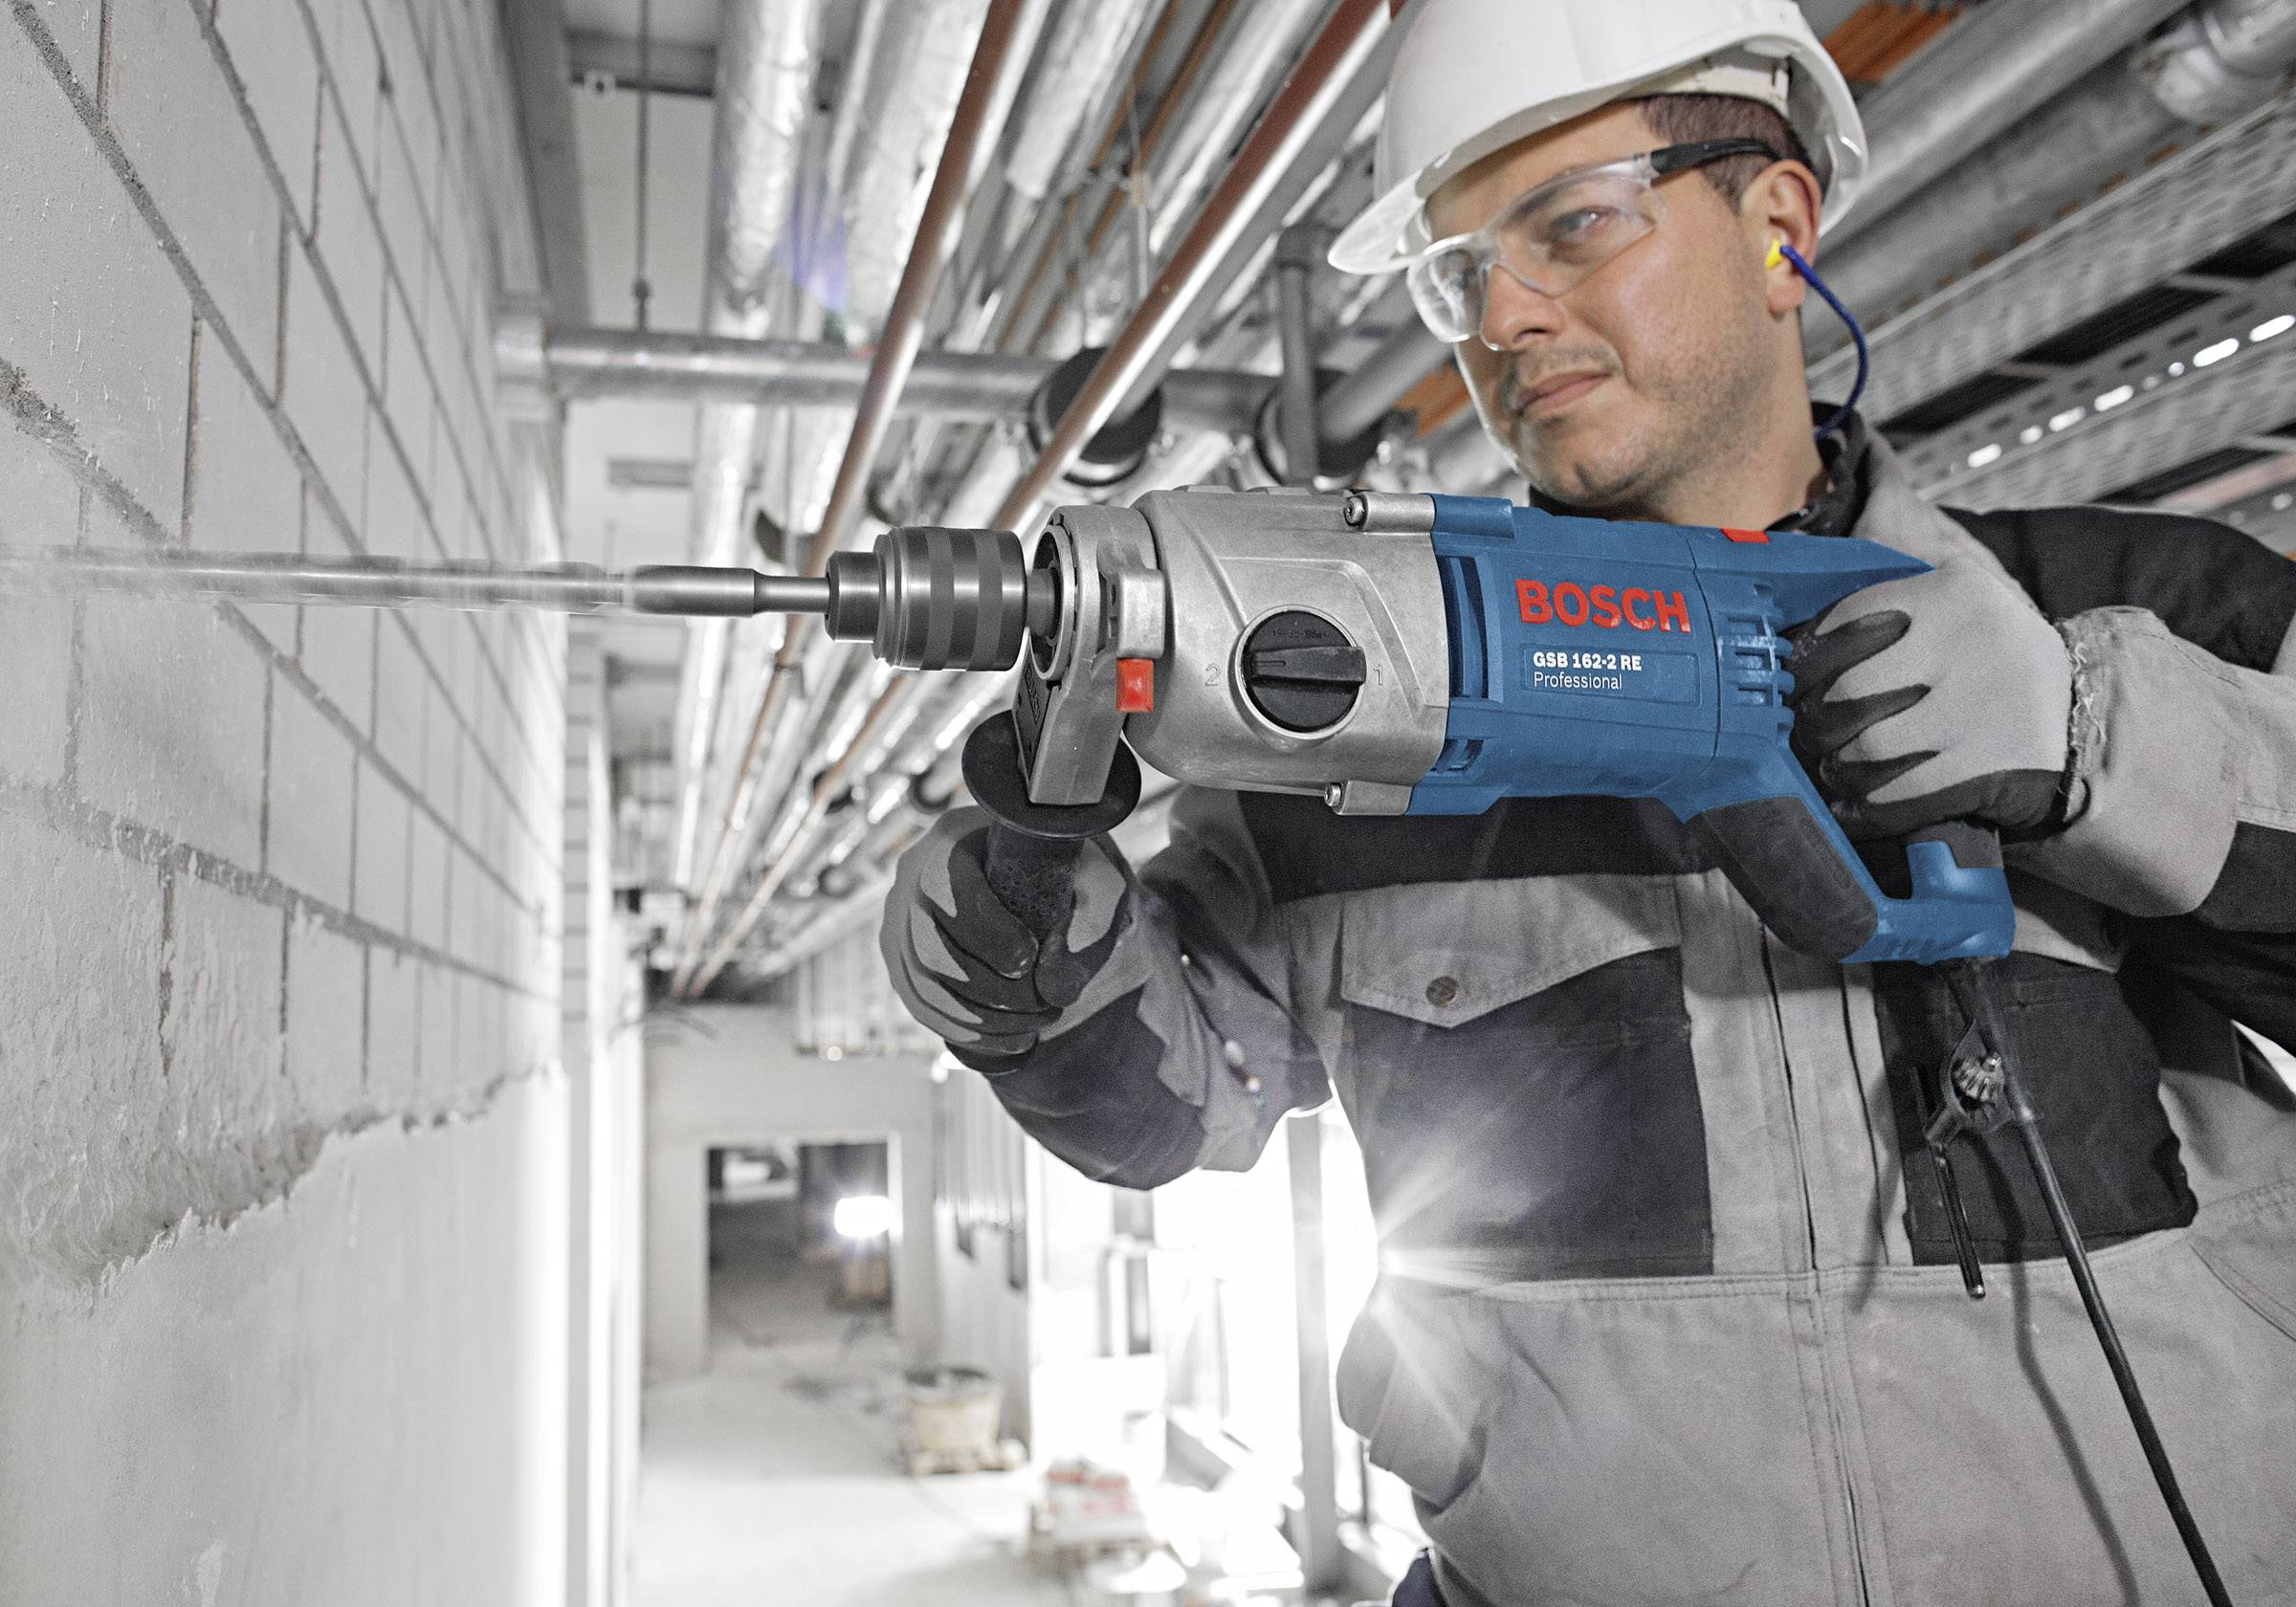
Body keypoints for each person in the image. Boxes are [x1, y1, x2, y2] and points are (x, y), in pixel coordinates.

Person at [882, 2, 2296, 1601]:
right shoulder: (1371, 739)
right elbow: (1178, 1102)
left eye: (1569, 224)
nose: (1496, 315)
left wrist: (2092, 738)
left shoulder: (2139, 609)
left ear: (1777, 225)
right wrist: (1023, 959)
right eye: (1454, 270)